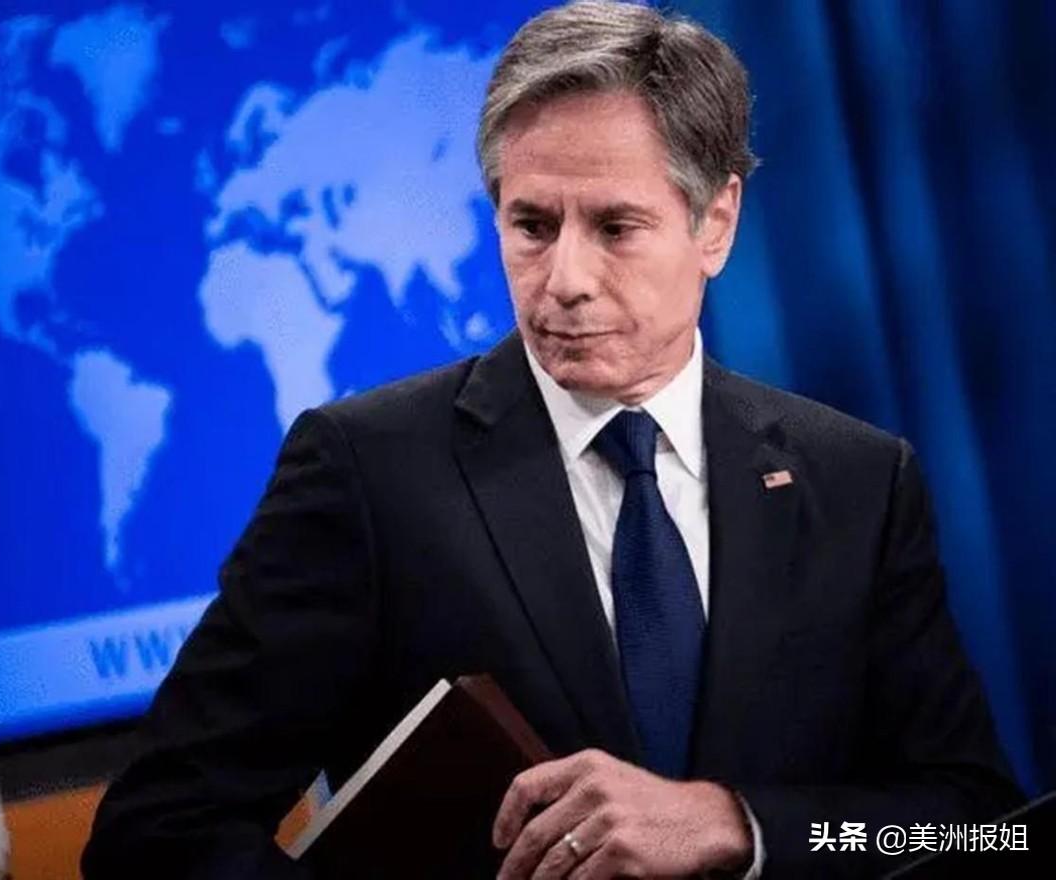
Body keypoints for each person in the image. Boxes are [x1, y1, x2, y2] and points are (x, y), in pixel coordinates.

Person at [82, 2, 1021, 877]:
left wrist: (737, 825)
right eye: (532, 225)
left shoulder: (857, 481)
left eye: (615, 226)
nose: (564, 278)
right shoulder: (367, 471)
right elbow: (156, 832)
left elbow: (976, 825)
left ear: (716, 224)